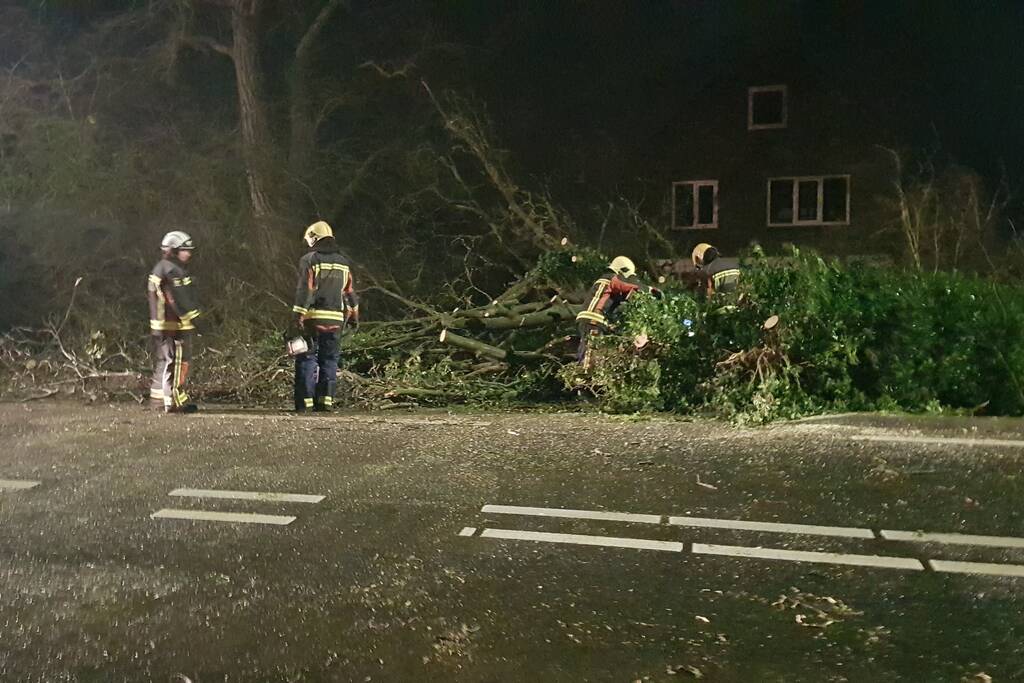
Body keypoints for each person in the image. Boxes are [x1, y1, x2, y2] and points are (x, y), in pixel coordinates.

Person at [291, 220, 359, 412]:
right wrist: (354, 316)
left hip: (313, 318)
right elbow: (350, 293)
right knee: (329, 360)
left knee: (306, 358)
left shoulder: (309, 260)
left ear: (313, 238)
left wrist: (297, 317)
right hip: (336, 320)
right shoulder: (344, 263)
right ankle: (325, 402)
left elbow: (306, 291)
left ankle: (305, 404)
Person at [148, 231, 202, 414]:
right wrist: (193, 317)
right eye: (184, 250)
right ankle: (175, 402)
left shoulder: (162, 267)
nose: (188, 254)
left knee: (164, 361)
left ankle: (158, 400)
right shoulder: (171, 270)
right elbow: (177, 299)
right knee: (177, 362)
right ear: (173, 250)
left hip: (163, 326)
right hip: (173, 326)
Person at [575, 256, 658, 368]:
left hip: (589, 319)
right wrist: (648, 290)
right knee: (591, 347)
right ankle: (585, 373)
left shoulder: (605, 283)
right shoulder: (610, 278)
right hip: (594, 318)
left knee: (588, 346)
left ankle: (583, 370)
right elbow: (627, 286)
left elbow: (621, 298)